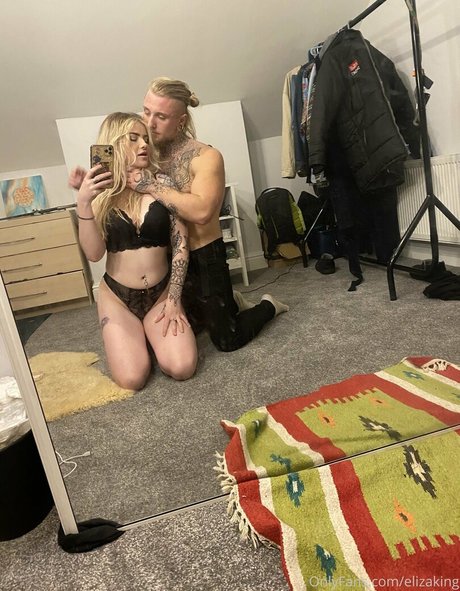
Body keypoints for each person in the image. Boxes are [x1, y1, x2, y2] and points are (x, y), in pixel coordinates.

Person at [126, 77, 289, 352]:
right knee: (174, 331)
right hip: (166, 258)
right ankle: (229, 302)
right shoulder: (144, 154)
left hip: (204, 256)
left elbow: (202, 212)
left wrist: (152, 186)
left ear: (180, 121)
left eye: (161, 117)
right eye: (146, 112)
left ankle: (268, 305)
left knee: (227, 339)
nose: (150, 123)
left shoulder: (206, 156)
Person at [69, 112, 197, 390]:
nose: (144, 145)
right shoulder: (100, 194)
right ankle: (137, 337)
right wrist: (84, 203)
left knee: (182, 367)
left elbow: (180, 245)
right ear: (114, 143)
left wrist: (174, 299)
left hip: (162, 294)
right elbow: (94, 254)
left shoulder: (163, 184)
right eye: (133, 138)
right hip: (118, 299)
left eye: (145, 138)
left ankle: (148, 335)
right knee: (132, 379)